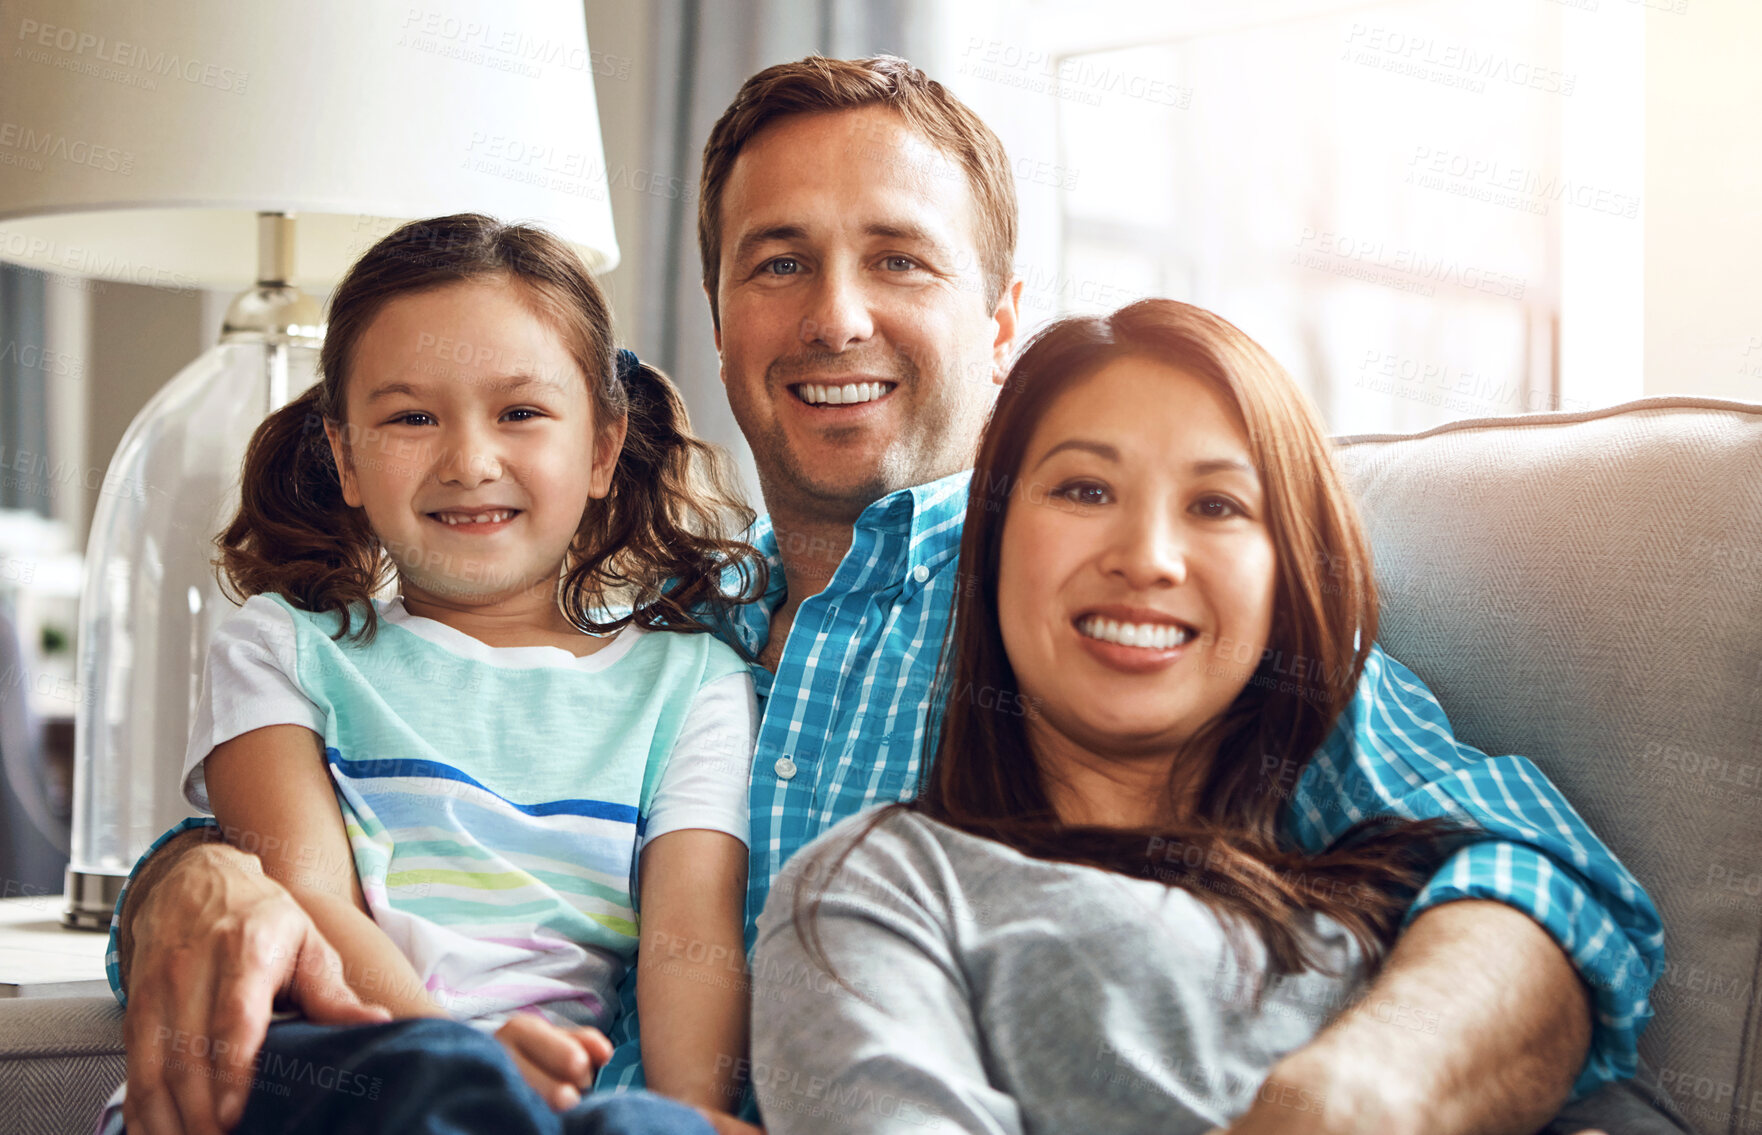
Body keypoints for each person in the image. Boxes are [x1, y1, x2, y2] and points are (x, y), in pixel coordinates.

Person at [108, 57, 1663, 1135]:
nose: (832, 313)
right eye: (775, 262)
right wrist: (201, 872)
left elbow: (1541, 877)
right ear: (714, 323)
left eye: (897, 262)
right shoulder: (639, 620)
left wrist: (1363, 1089)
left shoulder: (1110, 602)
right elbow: (382, 797)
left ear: (997, 322)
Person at [751, 298, 1525, 1130]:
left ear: (1287, 576)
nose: (1147, 558)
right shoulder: (879, 889)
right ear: (995, 541)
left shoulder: (1414, 903)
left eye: (1217, 504)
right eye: (1086, 489)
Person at [149, 214, 765, 1134]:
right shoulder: (281, 646)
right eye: (410, 417)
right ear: (346, 456)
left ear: (601, 448)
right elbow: (311, 896)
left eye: (520, 412)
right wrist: (470, 1065)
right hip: (334, 1061)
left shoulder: (693, 684)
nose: (470, 461)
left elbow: (692, 942)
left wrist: (684, 1114)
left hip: (551, 1105)